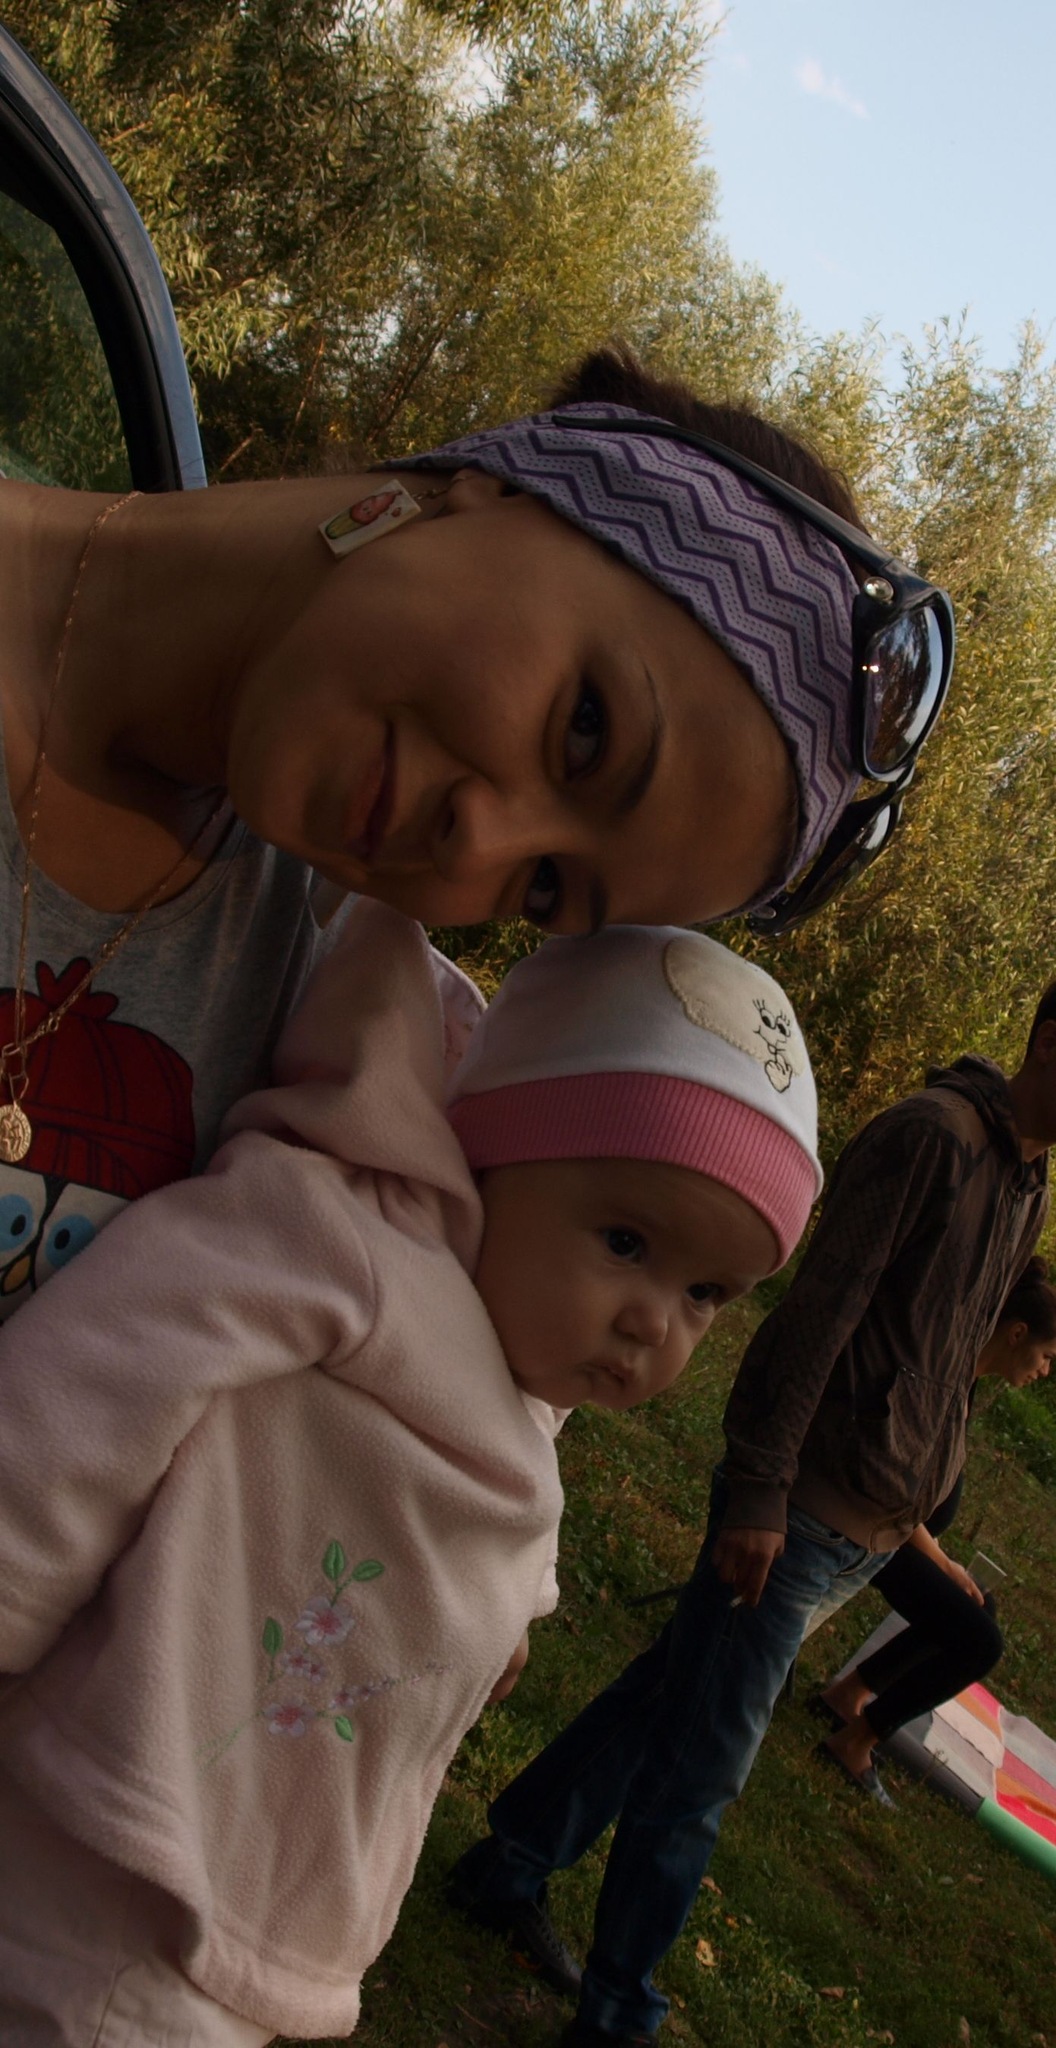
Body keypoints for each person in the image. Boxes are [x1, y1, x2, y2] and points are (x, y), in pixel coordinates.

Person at [0, 907, 822, 2045]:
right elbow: (103, 1374)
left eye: (705, 1295)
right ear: (493, 1155)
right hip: (124, 1854)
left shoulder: (522, 1350)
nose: (653, 1322)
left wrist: (516, 1606)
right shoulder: (342, 1241)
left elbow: (504, 1478)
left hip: (255, 1879)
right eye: (628, 1243)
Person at [0, 344, 952, 1314]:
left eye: (544, 886)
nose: (477, 846)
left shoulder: (318, 1032)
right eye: (586, 731)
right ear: (502, 487)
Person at [449, 979, 1055, 2048]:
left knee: (666, 1701)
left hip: (870, 1528)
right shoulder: (930, 1137)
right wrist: (762, 1487)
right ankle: (619, 2014)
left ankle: (507, 1863)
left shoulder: (1027, 1181)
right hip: (803, 1512)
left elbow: (950, 1349)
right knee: (699, 1778)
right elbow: (818, 1313)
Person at [814, 1257, 1056, 1784]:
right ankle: (857, 1741)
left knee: (978, 1605)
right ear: (1017, 1333)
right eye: (1046, 1356)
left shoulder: (967, 1384)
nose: (1044, 1371)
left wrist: (945, 1565)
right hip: (871, 1527)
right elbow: (897, 1493)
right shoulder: (945, 1379)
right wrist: (943, 1563)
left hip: (893, 1534)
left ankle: (849, 1695)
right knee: (980, 1641)